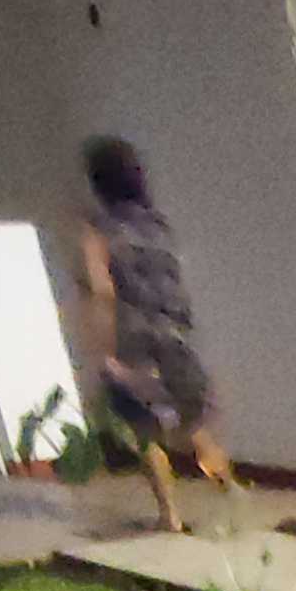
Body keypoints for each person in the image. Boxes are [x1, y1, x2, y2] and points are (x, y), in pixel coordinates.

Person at [77, 136, 234, 534]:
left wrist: (104, 350)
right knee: (193, 422)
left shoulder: (99, 230)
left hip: (135, 340)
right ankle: (232, 494)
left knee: (144, 426)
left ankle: (170, 516)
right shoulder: (159, 225)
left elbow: (102, 292)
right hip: (176, 333)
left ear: (98, 182)